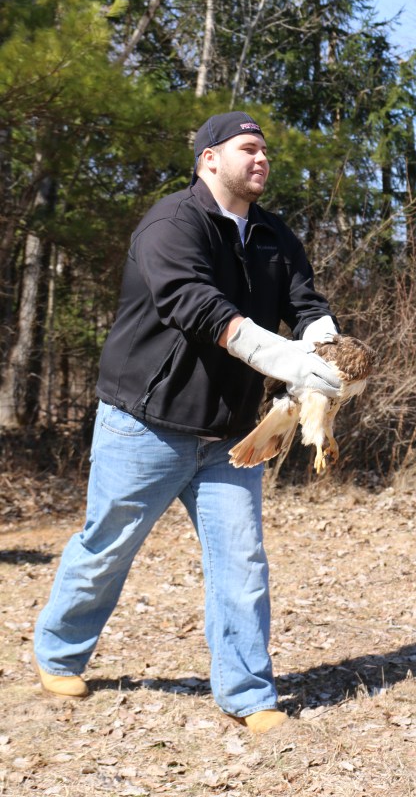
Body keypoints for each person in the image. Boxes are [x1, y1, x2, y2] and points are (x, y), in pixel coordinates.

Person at [34, 111, 342, 734]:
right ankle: (59, 653)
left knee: (243, 565)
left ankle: (248, 694)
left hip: (230, 437)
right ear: (208, 159)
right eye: (247, 148)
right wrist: (283, 358)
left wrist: (328, 349)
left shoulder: (276, 236)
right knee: (105, 550)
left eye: (265, 151)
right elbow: (194, 305)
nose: (262, 159)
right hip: (142, 425)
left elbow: (306, 305)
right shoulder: (170, 223)